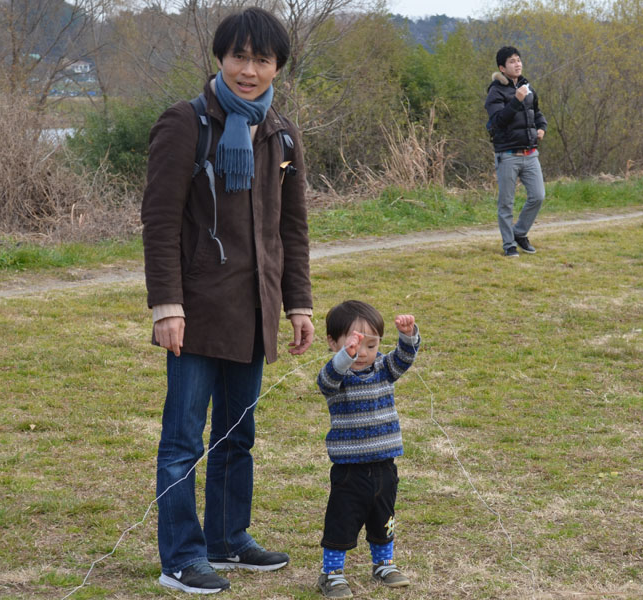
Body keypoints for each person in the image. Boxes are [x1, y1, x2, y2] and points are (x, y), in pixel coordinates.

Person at [141, 7, 314, 595]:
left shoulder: (281, 134)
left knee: (237, 433)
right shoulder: (185, 123)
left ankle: (226, 538)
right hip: (195, 311)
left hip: (257, 310)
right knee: (184, 440)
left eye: (261, 60)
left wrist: (299, 304)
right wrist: (166, 304)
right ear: (220, 58)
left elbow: (291, 231)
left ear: (276, 69)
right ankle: (181, 558)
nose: (248, 69)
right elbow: (159, 223)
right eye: (238, 56)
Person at [315, 300, 420, 598]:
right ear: (332, 343)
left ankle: (384, 564)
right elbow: (326, 379)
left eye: (370, 346)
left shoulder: (384, 369)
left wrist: (407, 335)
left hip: (385, 465)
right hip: (350, 471)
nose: (362, 354)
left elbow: (404, 357)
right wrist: (343, 358)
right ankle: (332, 573)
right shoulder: (336, 378)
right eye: (353, 346)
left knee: (383, 517)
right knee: (341, 520)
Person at [485, 45, 548, 258]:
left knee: (538, 196)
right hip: (508, 155)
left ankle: (519, 232)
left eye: (519, 59)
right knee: (506, 203)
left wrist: (541, 128)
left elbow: (538, 114)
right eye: (512, 61)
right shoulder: (495, 91)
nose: (517, 63)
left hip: (530, 154)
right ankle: (509, 245)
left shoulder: (526, 86)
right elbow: (498, 122)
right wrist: (516, 100)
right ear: (502, 68)